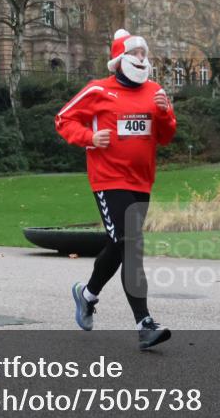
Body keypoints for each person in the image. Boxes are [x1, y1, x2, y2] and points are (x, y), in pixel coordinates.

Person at [55, 29, 177, 350]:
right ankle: (145, 323)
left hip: (141, 181)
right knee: (131, 246)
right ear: (119, 60)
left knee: (119, 244)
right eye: (134, 53)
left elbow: (165, 136)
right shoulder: (98, 90)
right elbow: (64, 119)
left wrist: (164, 113)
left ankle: (87, 294)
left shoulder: (155, 92)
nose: (140, 58)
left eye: (143, 54)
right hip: (108, 180)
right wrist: (89, 138)